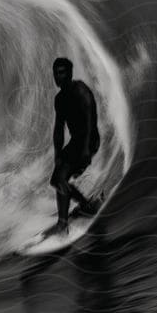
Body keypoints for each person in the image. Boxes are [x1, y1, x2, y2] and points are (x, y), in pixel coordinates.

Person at [49, 56, 101, 233]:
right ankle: (86, 205)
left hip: (89, 140)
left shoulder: (80, 90)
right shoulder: (59, 99)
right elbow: (58, 129)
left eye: (62, 72)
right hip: (75, 143)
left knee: (61, 179)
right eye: (56, 73)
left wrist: (86, 149)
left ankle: (63, 224)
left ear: (70, 73)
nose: (58, 76)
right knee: (57, 180)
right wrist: (57, 154)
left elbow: (90, 120)